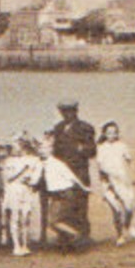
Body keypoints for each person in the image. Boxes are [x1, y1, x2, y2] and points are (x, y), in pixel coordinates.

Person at [50, 100, 97, 241]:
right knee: (63, 208)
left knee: (80, 207)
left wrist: (80, 149)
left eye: (70, 111)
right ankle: (65, 238)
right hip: (61, 175)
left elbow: (92, 150)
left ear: (76, 111)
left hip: (79, 173)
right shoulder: (58, 128)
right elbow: (55, 151)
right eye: (63, 111)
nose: (66, 114)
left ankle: (83, 238)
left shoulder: (85, 127)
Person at [39, 132, 91, 249]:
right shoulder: (43, 163)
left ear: (51, 149)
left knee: (54, 221)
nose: (41, 150)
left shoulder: (57, 164)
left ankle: (76, 235)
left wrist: (84, 187)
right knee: (52, 222)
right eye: (40, 148)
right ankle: (68, 242)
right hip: (56, 195)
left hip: (65, 194)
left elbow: (71, 176)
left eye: (44, 148)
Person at [96, 121, 135, 245]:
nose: (112, 135)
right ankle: (119, 236)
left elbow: (130, 161)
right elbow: (100, 167)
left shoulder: (122, 146)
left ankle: (128, 225)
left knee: (129, 207)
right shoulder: (101, 148)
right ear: (104, 134)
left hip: (122, 180)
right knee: (116, 210)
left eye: (114, 132)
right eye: (109, 133)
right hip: (108, 181)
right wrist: (107, 182)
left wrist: (132, 176)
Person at [1, 136, 43, 257]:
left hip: (26, 190)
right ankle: (16, 245)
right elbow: (7, 177)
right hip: (14, 190)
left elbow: (36, 177)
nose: (17, 148)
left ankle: (24, 245)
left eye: (19, 144)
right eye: (15, 145)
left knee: (25, 218)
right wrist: (21, 173)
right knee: (15, 217)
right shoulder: (9, 161)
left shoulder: (34, 160)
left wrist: (31, 180)